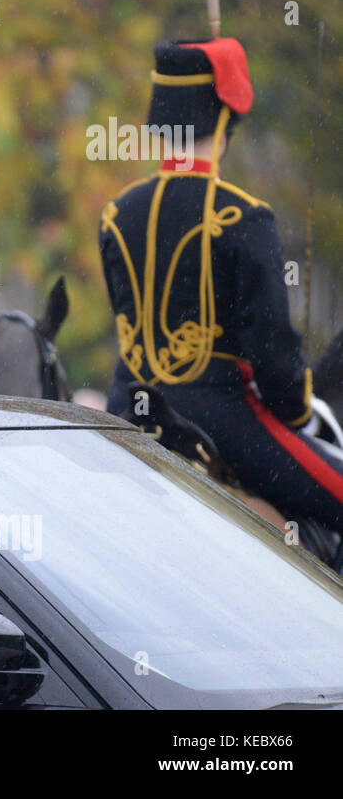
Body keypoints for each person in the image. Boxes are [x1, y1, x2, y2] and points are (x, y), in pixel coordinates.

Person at [100, 36, 343, 534]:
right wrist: (300, 412)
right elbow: (274, 361)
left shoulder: (115, 213)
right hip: (223, 422)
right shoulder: (243, 216)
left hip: (126, 416)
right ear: (226, 119)